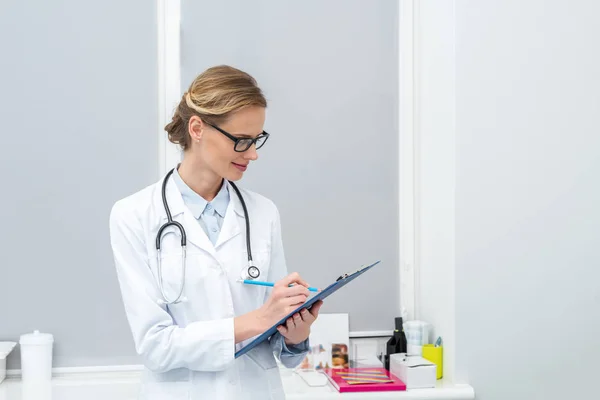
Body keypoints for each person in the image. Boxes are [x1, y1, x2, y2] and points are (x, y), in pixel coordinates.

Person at [109, 65, 323, 399]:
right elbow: (156, 346)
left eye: (256, 141)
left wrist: (295, 334)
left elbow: (281, 346)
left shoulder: (263, 212)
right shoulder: (133, 215)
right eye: (241, 141)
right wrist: (257, 319)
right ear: (197, 128)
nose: (252, 154)